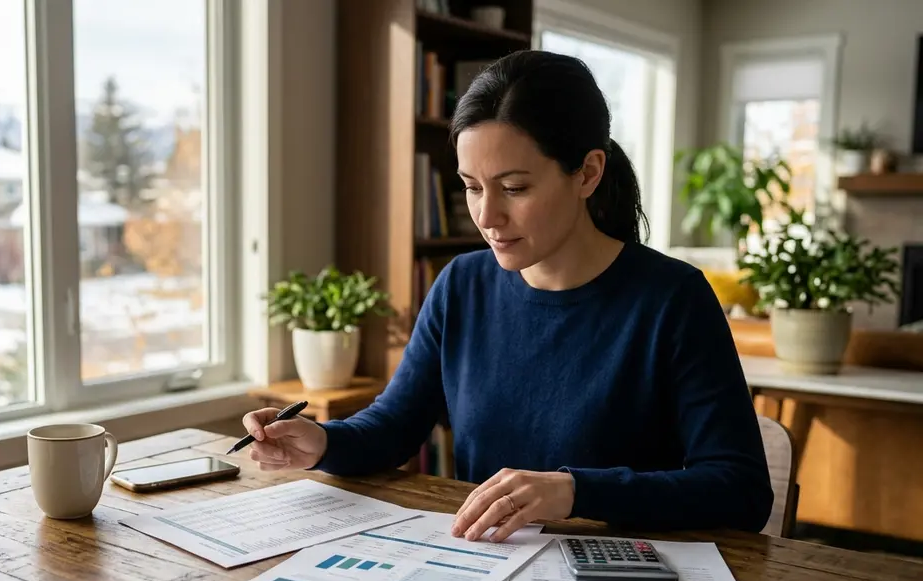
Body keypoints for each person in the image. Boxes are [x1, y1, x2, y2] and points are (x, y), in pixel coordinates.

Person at [241, 50, 773, 542]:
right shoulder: (461, 286)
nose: (487, 217)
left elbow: (740, 491)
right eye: (472, 187)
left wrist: (573, 491)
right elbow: (392, 428)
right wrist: (322, 443)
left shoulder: (673, 299)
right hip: (484, 574)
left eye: (514, 188)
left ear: (588, 173)